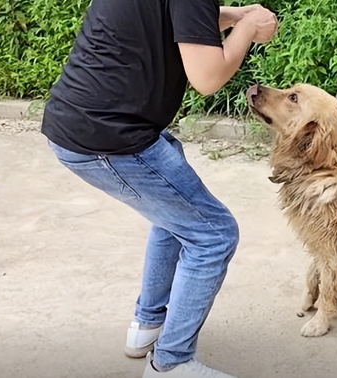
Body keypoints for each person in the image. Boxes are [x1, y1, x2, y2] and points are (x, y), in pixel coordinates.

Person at [41, 1, 278, 377]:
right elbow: (208, 78)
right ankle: (171, 363)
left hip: (83, 126)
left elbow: (178, 21)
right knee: (213, 234)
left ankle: (147, 325)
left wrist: (234, 15)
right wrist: (247, 30)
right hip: (110, 140)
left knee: (174, 214)